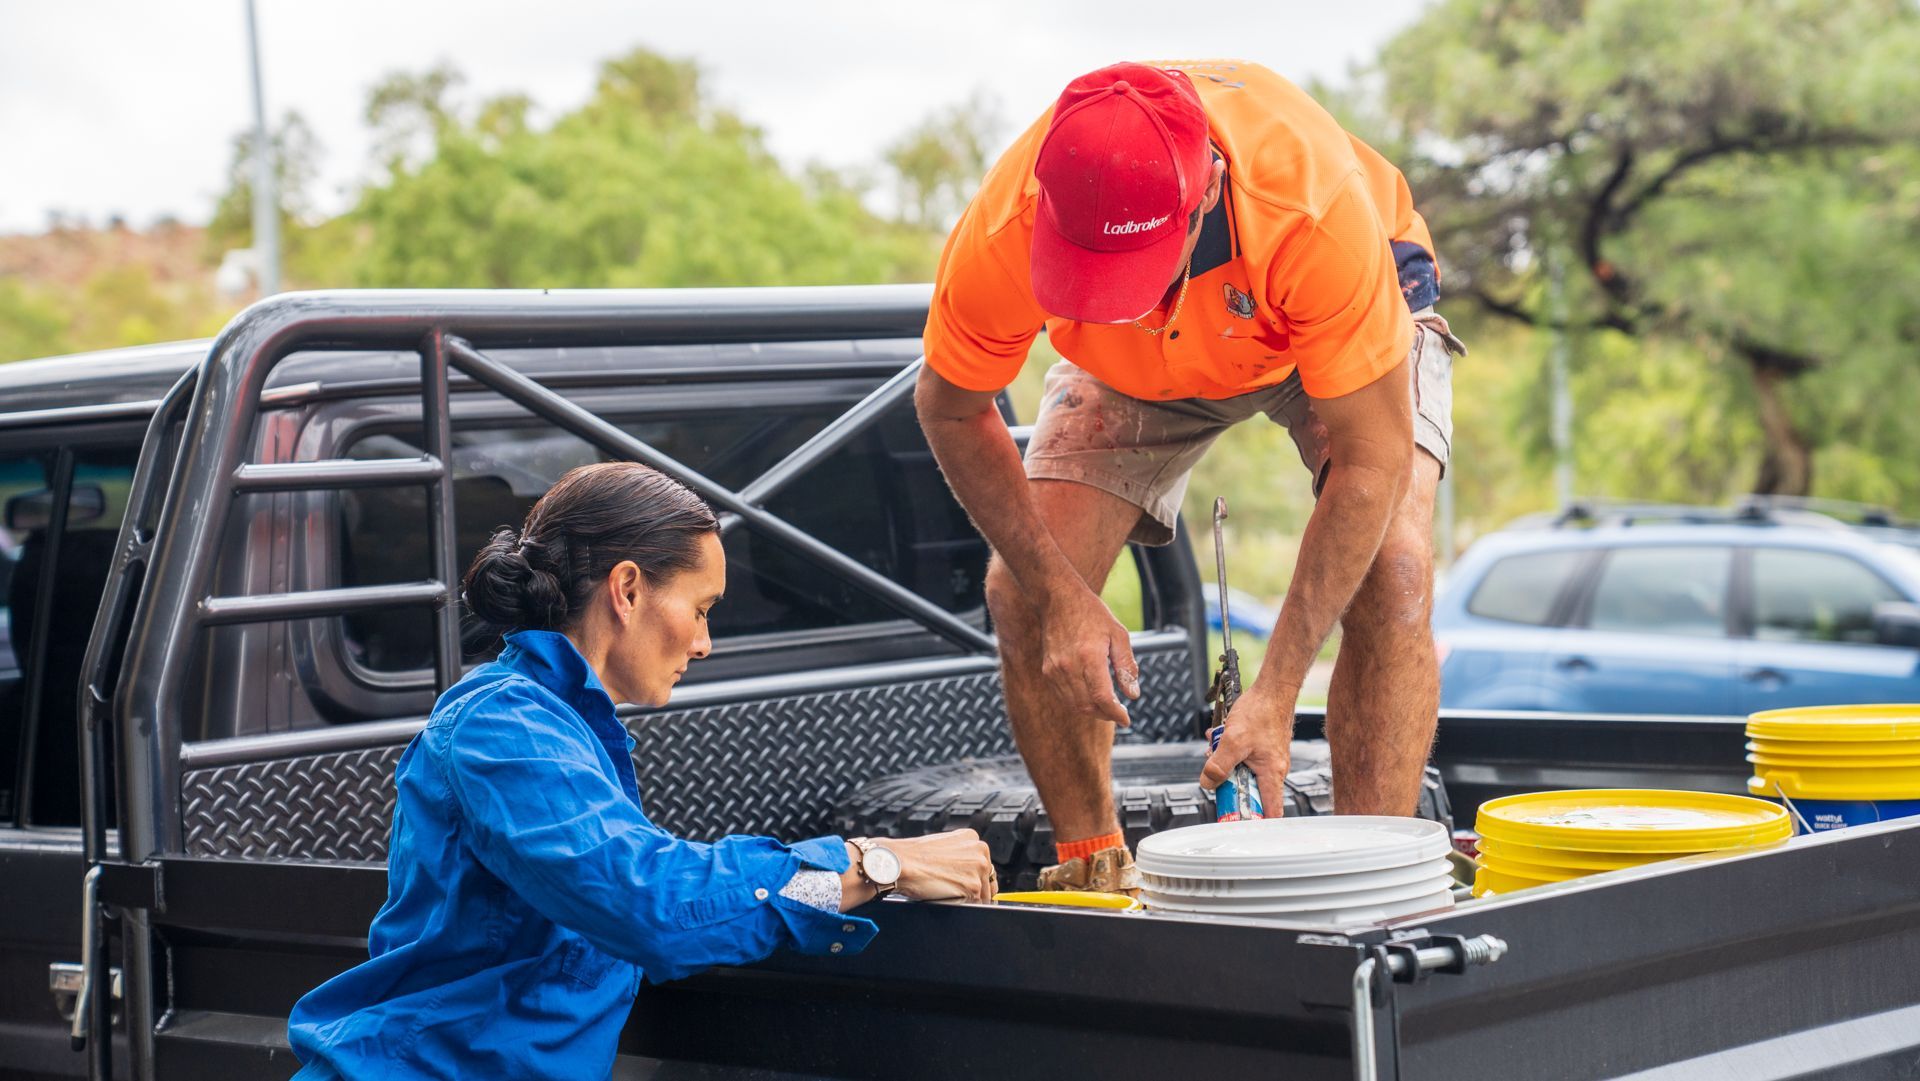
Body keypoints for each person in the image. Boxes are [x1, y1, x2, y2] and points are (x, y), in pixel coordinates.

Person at [915, 60, 1465, 893]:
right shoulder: (1008, 221)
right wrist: (1063, 596)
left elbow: (1371, 460)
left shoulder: (1309, 207)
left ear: (1206, 188)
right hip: (1131, 367)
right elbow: (952, 407)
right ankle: (1094, 874)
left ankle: (1373, 887)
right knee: (1024, 589)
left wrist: (1277, 690)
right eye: (1090, 273)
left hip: (1319, 325)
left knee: (1394, 574)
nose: (1123, 297)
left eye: (1131, 273)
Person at [288, 462, 993, 1079]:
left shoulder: (564, 729)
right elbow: (651, 901)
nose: (706, 642)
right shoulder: (501, 728)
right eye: (700, 607)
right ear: (626, 589)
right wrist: (873, 863)